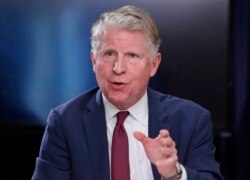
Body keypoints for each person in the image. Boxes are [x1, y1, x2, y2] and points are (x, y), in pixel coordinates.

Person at [32, 5, 224, 180]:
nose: (118, 68)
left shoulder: (191, 120)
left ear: (153, 65)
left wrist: (174, 173)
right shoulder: (65, 121)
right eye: (109, 54)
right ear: (93, 60)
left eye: (132, 56)